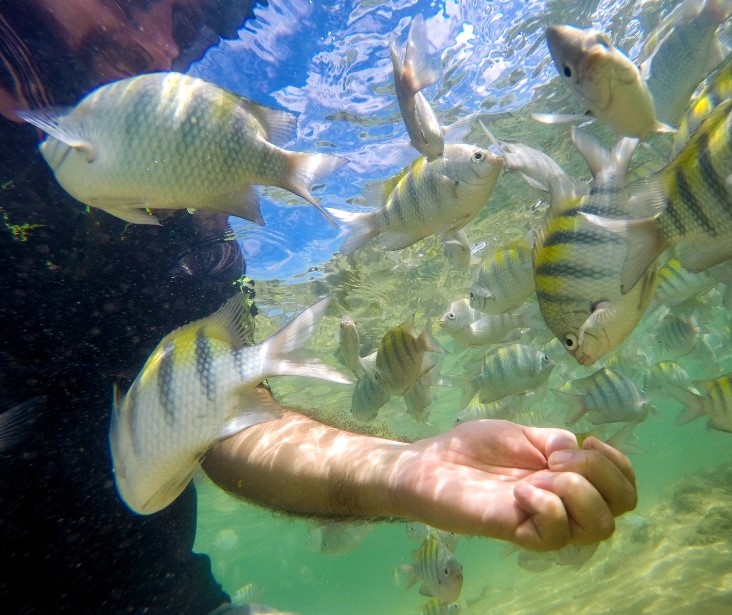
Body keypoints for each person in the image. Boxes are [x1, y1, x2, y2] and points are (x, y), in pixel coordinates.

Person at [0, 1, 637, 612]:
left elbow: (233, 420)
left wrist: (404, 470)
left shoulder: (177, 222)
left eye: (191, 23)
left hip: (151, 592)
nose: (163, 45)